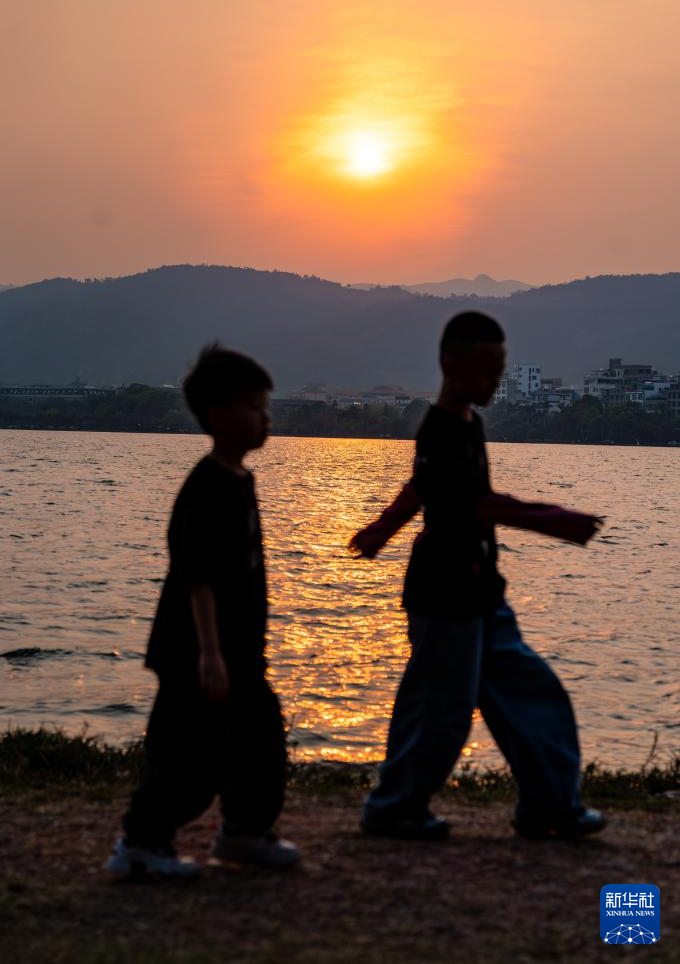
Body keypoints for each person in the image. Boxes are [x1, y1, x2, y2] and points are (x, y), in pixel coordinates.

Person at [351, 312, 606, 842]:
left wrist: (381, 530)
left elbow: (419, 488)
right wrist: (559, 521)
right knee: (439, 712)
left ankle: (549, 805)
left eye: (500, 370)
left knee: (533, 693)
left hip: (480, 591)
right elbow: (475, 503)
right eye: (487, 369)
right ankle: (394, 806)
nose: (495, 380)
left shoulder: (469, 423)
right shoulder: (439, 430)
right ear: (451, 363)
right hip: (444, 595)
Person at [106, 345, 299, 875]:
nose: (267, 419)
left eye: (267, 407)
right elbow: (197, 577)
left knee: (261, 741)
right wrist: (210, 653)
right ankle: (141, 845)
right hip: (196, 652)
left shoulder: (241, 481)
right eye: (256, 407)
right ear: (219, 417)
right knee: (187, 757)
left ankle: (244, 832)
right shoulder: (206, 487)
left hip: (239, 652)